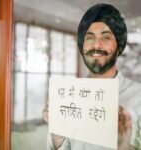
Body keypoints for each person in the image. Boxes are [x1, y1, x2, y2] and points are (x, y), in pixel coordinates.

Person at [44, 3, 141, 150]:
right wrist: (58, 137)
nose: (96, 44)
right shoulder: (68, 96)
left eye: (106, 37)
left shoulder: (138, 96)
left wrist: (123, 146)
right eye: (89, 38)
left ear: (119, 45)